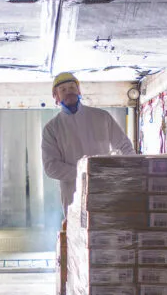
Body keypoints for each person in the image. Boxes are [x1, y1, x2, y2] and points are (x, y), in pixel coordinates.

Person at [41, 72, 135, 211]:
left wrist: (131, 173)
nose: (69, 92)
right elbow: (51, 167)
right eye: (63, 90)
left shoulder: (101, 117)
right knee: (77, 230)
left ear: (79, 91)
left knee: (106, 226)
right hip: (73, 194)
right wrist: (83, 173)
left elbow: (124, 146)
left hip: (105, 188)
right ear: (56, 96)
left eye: (72, 88)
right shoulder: (52, 128)